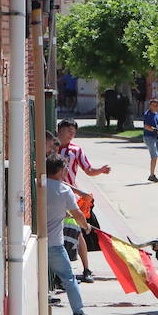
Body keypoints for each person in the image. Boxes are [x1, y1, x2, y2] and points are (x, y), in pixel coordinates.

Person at [56, 119, 110, 282]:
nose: (72, 134)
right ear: (61, 130)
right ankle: (64, 271)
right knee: (61, 233)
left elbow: (88, 169)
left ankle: (86, 268)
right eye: (69, 130)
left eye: (74, 132)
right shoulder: (52, 146)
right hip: (54, 193)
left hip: (71, 196)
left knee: (77, 232)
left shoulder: (76, 150)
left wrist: (100, 170)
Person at [44, 155, 95, 315]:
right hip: (54, 244)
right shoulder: (64, 191)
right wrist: (86, 227)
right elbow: (78, 215)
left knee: (40, 276)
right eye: (65, 168)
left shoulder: (39, 184)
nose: (67, 170)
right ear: (60, 170)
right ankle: (78, 313)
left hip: (36, 240)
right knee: (69, 278)